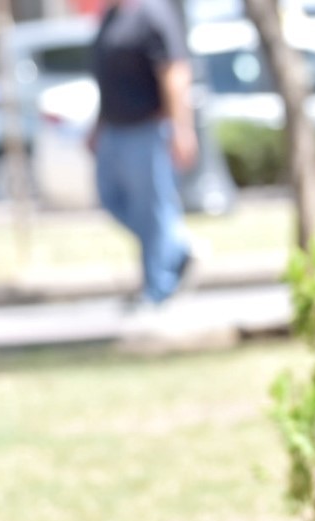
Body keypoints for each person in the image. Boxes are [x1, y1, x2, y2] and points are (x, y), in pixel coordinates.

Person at [90, 0, 198, 310]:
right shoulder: (110, 17)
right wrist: (98, 125)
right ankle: (177, 246)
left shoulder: (153, 14)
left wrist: (181, 128)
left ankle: (157, 289)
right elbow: (106, 77)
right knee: (111, 198)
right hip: (114, 129)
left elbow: (175, 73)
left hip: (148, 128)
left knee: (152, 208)